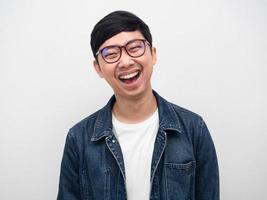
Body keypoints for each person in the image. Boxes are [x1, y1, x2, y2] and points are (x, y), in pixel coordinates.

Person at [57, 10, 219, 200]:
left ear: (153, 54)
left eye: (134, 48)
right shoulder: (78, 139)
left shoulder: (194, 129)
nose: (125, 61)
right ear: (98, 68)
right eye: (111, 54)